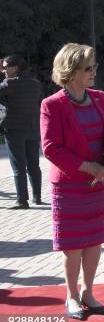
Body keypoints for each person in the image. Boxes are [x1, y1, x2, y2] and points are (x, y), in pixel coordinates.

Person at [40, 43, 104, 320]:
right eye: (88, 68)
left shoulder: (99, 98)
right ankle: (71, 296)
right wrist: (89, 167)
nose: (93, 72)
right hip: (71, 185)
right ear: (71, 72)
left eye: (94, 66)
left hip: (98, 183)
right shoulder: (52, 105)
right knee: (73, 246)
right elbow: (50, 148)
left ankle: (89, 292)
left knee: (95, 241)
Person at [0, 55, 43, 209]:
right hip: (32, 129)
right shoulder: (35, 84)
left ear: (15, 67)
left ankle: (21, 200)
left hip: (14, 130)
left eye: (6, 67)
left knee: (18, 166)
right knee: (33, 165)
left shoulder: (8, 84)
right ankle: (37, 197)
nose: (4, 70)